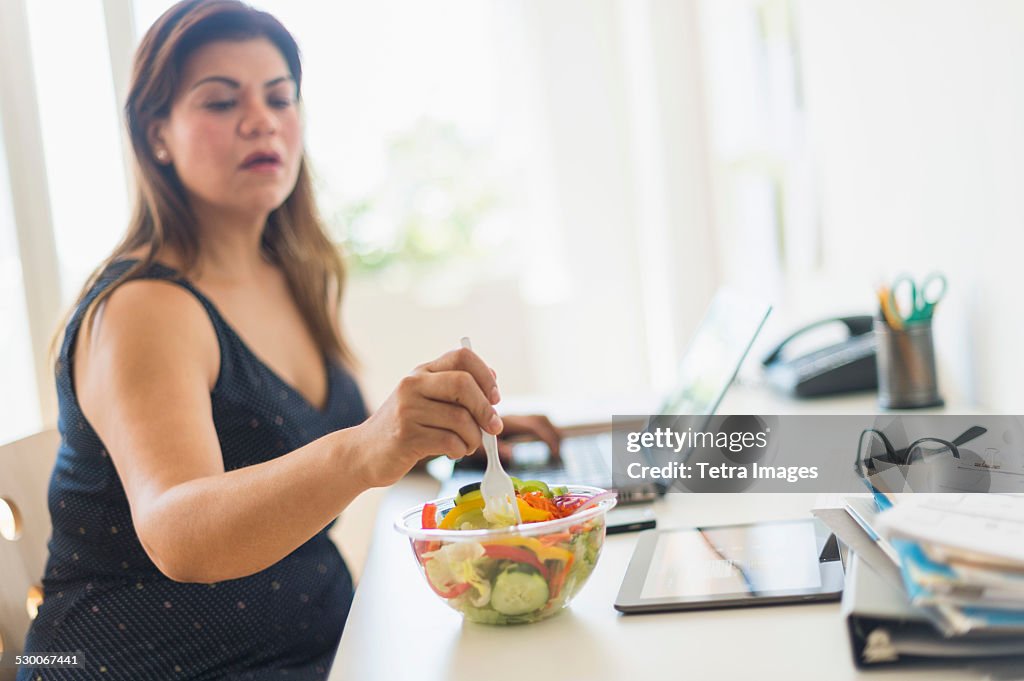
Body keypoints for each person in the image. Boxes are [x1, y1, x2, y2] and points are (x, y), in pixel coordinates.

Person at [18, 1, 560, 679]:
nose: (261, 120)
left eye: (280, 97)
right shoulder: (142, 306)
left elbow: (306, 457)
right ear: (156, 134)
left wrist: (435, 434)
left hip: (323, 651)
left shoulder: (290, 274)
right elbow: (178, 532)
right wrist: (368, 445)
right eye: (220, 102)